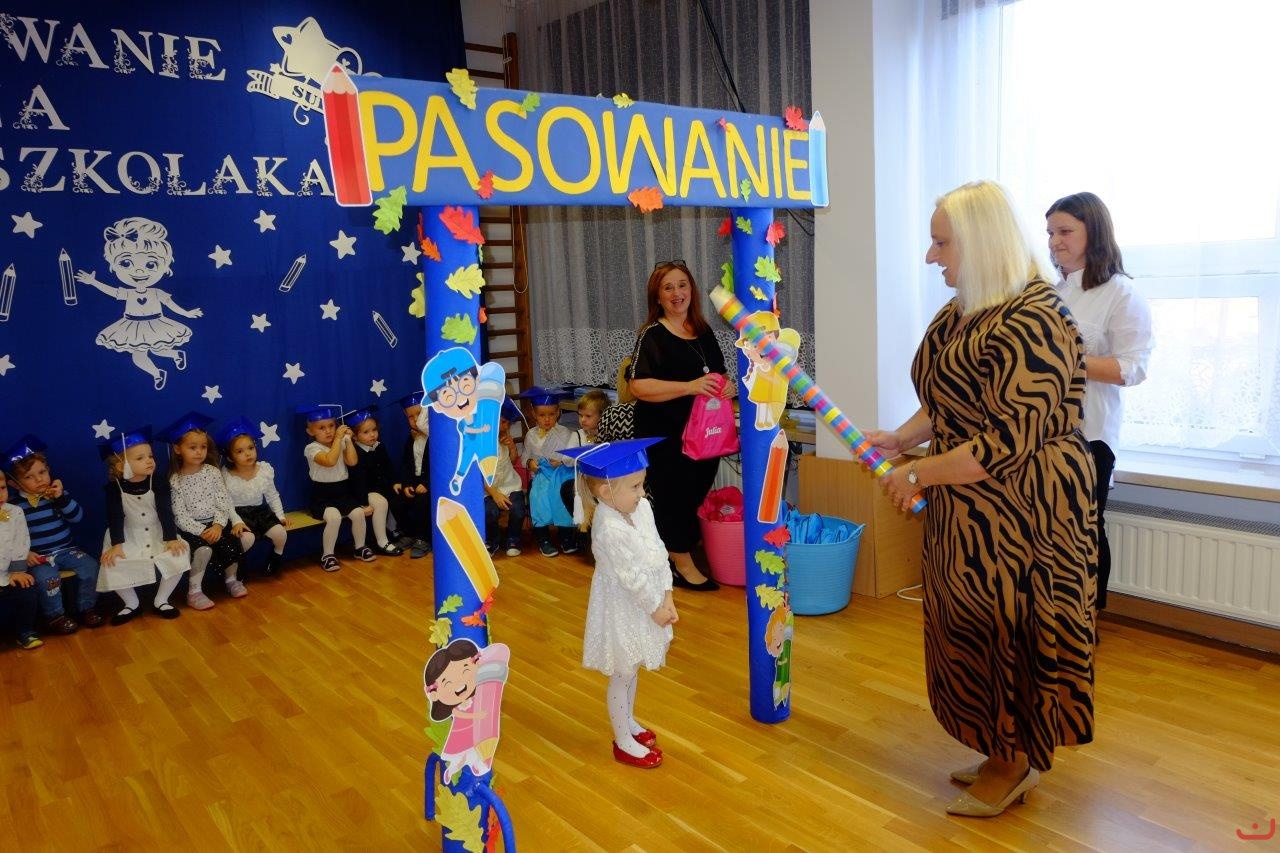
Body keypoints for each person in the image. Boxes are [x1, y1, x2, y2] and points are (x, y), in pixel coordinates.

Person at [869, 180, 1098, 817]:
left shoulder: (1037, 319)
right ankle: (1000, 748)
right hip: (967, 504)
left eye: (941, 243)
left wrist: (917, 475)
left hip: (1025, 509)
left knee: (1011, 628)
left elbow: (1003, 441)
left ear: (980, 243)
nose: (930, 255)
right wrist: (901, 439)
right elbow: (947, 401)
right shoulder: (963, 310)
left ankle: (1014, 761)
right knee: (969, 625)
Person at [1046, 192, 1154, 611]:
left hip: (1090, 435)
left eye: (1065, 231)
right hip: (1042, 433)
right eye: (1050, 232)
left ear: (1094, 232)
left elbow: (1133, 369)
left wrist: (1067, 362)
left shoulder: (1121, 293)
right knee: (1044, 531)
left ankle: (1086, 620)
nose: (1055, 241)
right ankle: (1050, 616)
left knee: (1084, 531)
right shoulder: (1048, 291)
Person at [561, 439, 676, 770]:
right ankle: (622, 740)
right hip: (623, 606)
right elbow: (632, 578)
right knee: (623, 671)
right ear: (607, 492)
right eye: (635, 486)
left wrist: (667, 594)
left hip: (648, 599)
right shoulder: (609, 527)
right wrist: (655, 608)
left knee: (634, 664)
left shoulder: (642, 508)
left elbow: (658, 550)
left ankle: (629, 721)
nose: (642, 493)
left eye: (642, 484)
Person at [628, 260, 728, 591]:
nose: (677, 293)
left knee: (695, 492)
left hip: (705, 433)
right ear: (657, 297)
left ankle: (671, 551)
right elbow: (637, 386)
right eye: (668, 287)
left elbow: (719, 373)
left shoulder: (703, 331)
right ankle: (681, 563)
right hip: (665, 435)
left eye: (682, 285)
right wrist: (690, 387)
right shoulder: (652, 335)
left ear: (691, 291)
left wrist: (727, 386)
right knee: (674, 496)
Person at [74, 217, 202, 390]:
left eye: (150, 264)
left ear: (165, 266)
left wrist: (187, 313)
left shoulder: (156, 292)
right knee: (139, 357)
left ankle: (176, 354)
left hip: (157, 323)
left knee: (157, 349)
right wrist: (93, 282)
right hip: (132, 326)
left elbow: (171, 304)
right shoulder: (128, 293)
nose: (139, 270)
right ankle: (157, 373)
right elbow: (112, 291)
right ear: (113, 265)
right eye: (126, 263)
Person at [4, 435, 104, 630]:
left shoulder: (56, 495)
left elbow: (77, 517)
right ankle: (56, 616)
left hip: (67, 550)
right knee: (48, 579)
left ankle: (87, 608)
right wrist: (25, 554)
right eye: (29, 477)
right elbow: (7, 535)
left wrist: (61, 498)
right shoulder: (13, 507)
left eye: (42, 472)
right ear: (14, 484)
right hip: (38, 558)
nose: (39, 479)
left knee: (91, 568)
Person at [98, 428, 190, 624]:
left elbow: (165, 511)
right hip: (128, 535)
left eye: (150, 456)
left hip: (158, 531)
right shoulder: (114, 488)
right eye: (140, 458)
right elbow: (115, 516)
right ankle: (131, 603)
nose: (149, 461)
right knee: (113, 562)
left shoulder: (158, 482)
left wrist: (171, 538)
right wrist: (116, 545)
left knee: (179, 553)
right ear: (121, 465)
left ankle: (161, 600)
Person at [162, 412, 248, 607]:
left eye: (203, 447)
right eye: (192, 447)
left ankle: (231, 580)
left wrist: (218, 525)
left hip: (216, 523)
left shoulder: (213, 472)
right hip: (193, 529)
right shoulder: (175, 480)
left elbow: (222, 501)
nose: (199, 452)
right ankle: (194, 591)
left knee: (231, 543)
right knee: (202, 550)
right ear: (177, 449)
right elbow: (179, 515)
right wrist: (202, 531)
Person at [300, 404, 373, 572]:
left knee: (358, 513)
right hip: (322, 496)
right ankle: (327, 555)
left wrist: (348, 441)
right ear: (310, 431)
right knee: (334, 517)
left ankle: (359, 547)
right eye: (322, 428)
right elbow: (329, 461)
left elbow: (352, 462)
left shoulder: (340, 441)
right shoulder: (311, 448)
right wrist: (339, 440)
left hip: (342, 492)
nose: (328, 431)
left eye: (332, 426)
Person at [218, 418, 289, 577]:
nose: (248, 453)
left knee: (280, 534)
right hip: (237, 515)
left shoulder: (264, 470)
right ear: (230, 457)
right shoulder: (226, 475)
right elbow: (226, 503)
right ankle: (235, 569)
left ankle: (276, 556)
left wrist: (280, 516)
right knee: (246, 539)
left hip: (260, 513)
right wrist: (236, 521)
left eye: (250, 448)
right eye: (240, 451)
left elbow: (272, 495)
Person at [519, 387, 578, 557]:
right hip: (540, 476)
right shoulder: (531, 435)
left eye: (551, 414)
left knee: (562, 496)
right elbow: (524, 458)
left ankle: (566, 535)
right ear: (533, 414)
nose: (547, 419)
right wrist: (530, 463)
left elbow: (571, 456)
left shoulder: (566, 433)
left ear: (558, 412)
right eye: (542, 415)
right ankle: (543, 538)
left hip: (560, 475)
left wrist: (561, 461)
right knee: (539, 497)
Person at [344, 405, 405, 557]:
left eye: (374, 430)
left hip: (381, 487)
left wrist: (395, 481)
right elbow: (357, 481)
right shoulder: (355, 452)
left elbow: (388, 466)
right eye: (366, 432)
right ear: (355, 436)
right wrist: (363, 503)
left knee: (397, 495)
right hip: (364, 491)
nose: (372, 434)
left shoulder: (379, 446)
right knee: (381, 502)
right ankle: (382, 541)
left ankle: (394, 530)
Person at [1, 477, 43, 649]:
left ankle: (25, 631)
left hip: (10, 571)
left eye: (2, 488)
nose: (0, 494)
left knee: (27, 592)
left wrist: (17, 571)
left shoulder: (14, 512)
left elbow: (21, 541)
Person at [484, 399, 528, 557]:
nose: (505, 427)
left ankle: (513, 539)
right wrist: (494, 494)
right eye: (502, 422)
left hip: (510, 485)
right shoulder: (481, 443)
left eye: (508, 423)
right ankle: (491, 540)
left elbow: (513, 460)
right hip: (488, 490)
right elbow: (479, 475)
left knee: (518, 510)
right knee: (490, 512)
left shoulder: (505, 438)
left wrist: (512, 447)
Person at [397, 392, 432, 559]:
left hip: (431, 483)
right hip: (415, 480)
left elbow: (438, 467)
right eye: (410, 417)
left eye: (419, 414)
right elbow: (406, 464)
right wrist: (406, 484)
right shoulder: (410, 439)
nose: (416, 420)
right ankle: (409, 534)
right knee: (399, 498)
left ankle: (423, 538)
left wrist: (427, 484)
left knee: (422, 502)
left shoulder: (435, 439)